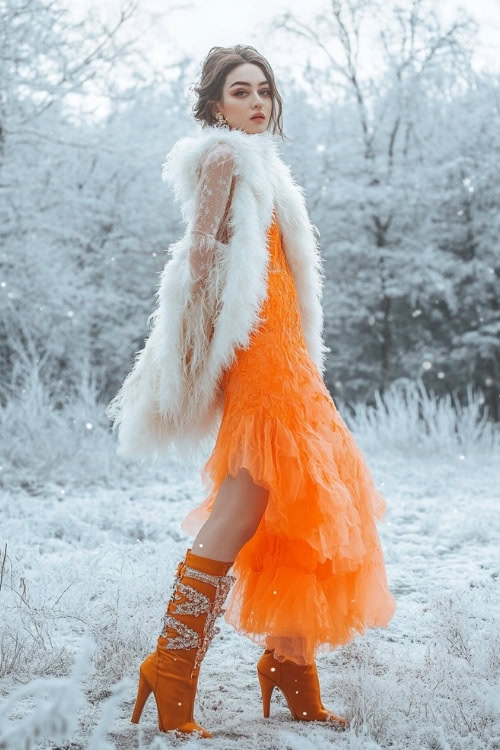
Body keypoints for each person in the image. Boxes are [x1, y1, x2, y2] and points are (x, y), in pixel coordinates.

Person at [106, 44, 397, 739]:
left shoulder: (266, 165)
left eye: (263, 89)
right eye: (240, 91)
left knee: (302, 502)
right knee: (242, 508)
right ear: (213, 104)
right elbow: (198, 254)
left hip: (289, 354)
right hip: (258, 355)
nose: (257, 102)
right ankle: (171, 666)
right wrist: (194, 353)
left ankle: (291, 666)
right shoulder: (224, 159)